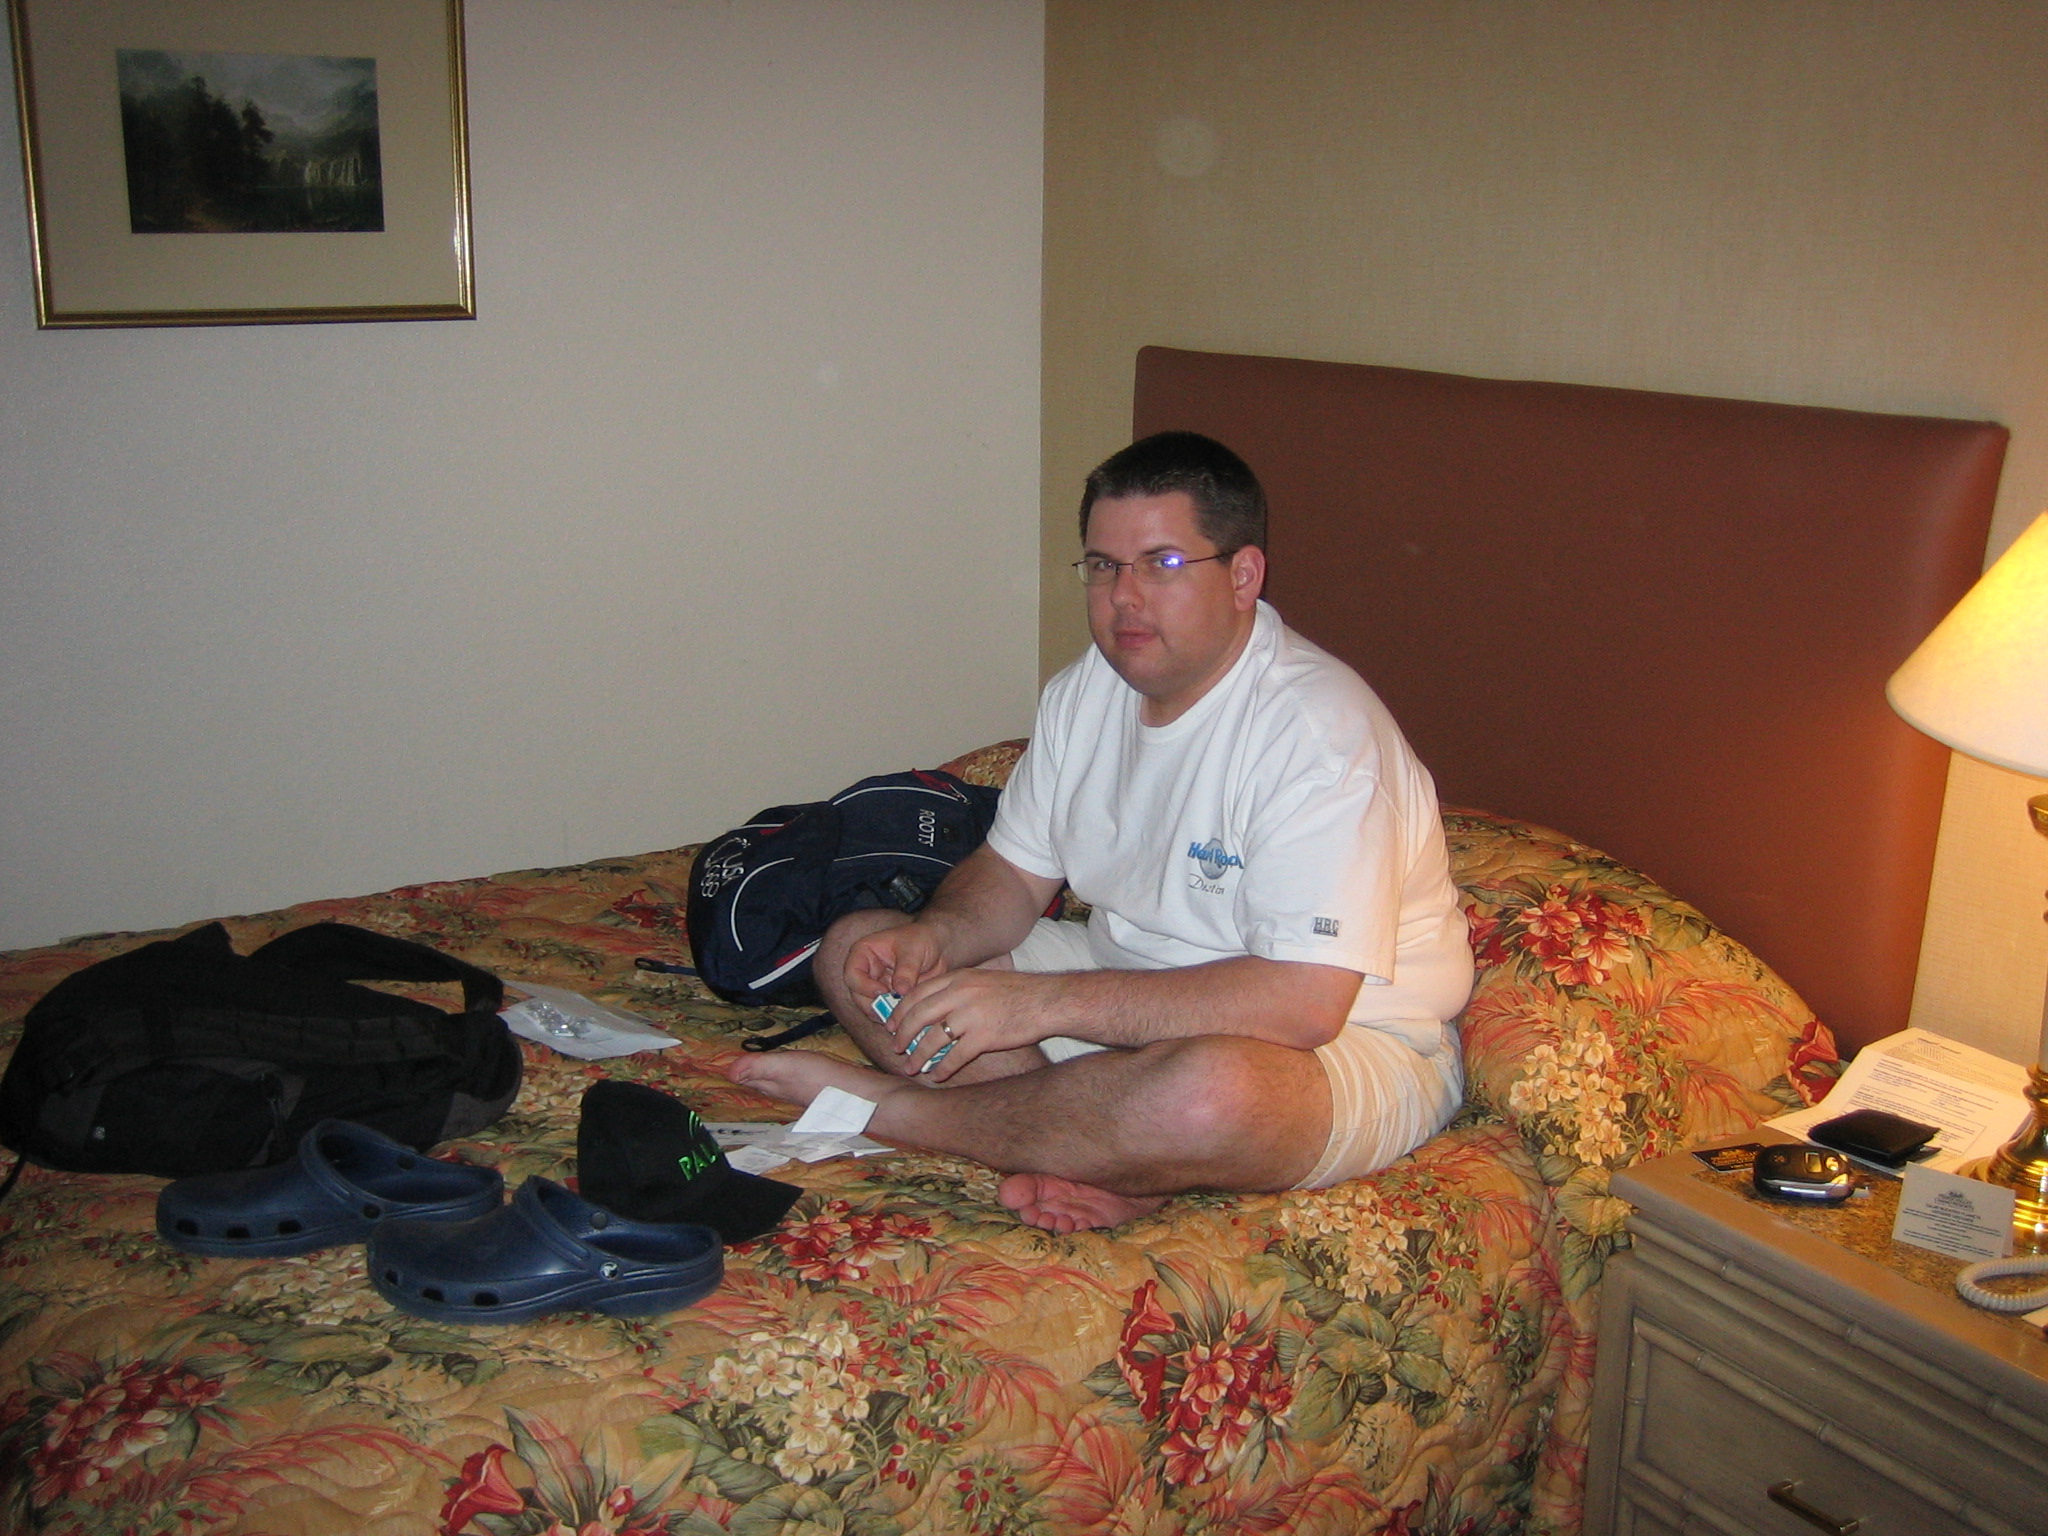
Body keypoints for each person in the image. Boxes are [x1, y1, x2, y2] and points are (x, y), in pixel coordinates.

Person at [730, 431, 1474, 1233]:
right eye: (1104, 565)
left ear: (1244, 576)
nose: (1125, 597)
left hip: (1340, 1044)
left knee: (1207, 1097)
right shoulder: (1086, 692)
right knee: (858, 950)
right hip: (1127, 983)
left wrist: (1041, 1008)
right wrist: (936, 939)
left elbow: (1303, 1005)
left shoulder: (1316, 736)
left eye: (1162, 563)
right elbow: (1012, 876)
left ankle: (899, 1112)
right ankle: (1098, 1149)